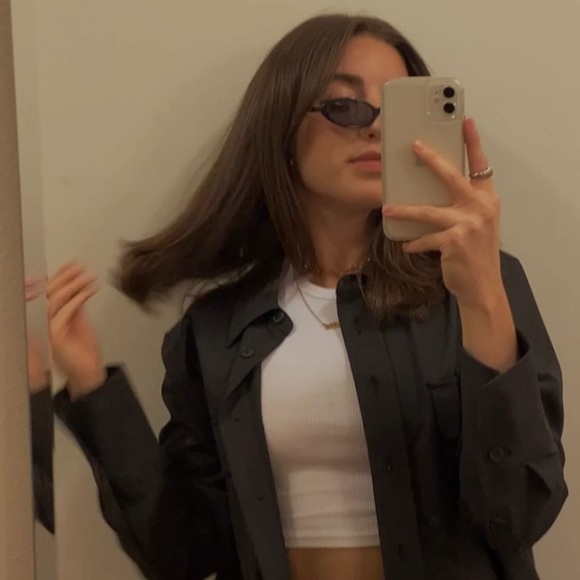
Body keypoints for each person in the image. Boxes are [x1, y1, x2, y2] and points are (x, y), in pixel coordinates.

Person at [47, 13, 566, 580]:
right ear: (282, 124)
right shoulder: (219, 328)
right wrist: (91, 386)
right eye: (345, 106)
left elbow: (519, 512)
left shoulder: (477, 284)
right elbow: (181, 553)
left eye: (395, 110)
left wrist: (483, 296)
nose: (376, 128)